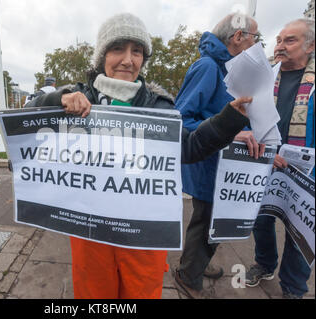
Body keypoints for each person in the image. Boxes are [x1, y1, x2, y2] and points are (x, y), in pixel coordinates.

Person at [26, 12, 254, 299]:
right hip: (90, 231)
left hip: (143, 231)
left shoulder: (160, 106)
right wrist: (54, 100)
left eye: (137, 51)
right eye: (118, 48)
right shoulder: (77, 96)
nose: (128, 60)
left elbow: (190, 147)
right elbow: (24, 124)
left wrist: (228, 120)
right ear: (102, 56)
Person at [172, 13, 264, 299]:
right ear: (238, 37)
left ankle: (195, 264)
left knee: (211, 221)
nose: (257, 45)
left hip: (223, 165)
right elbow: (180, 120)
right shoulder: (208, 67)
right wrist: (231, 132)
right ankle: (188, 276)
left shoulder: (227, 69)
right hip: (208, 164)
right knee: (208, 221)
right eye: (255, 38)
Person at [245, 19, 315, 299]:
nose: (280, 47)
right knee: (260, 220)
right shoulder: (263, 79)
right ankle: (264, 264)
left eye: (290, 41)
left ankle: (293, 289)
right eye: (279, 40)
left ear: (311, 46)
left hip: (306, 173)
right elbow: (246, 116)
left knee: (299, 233)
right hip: (265, 162)